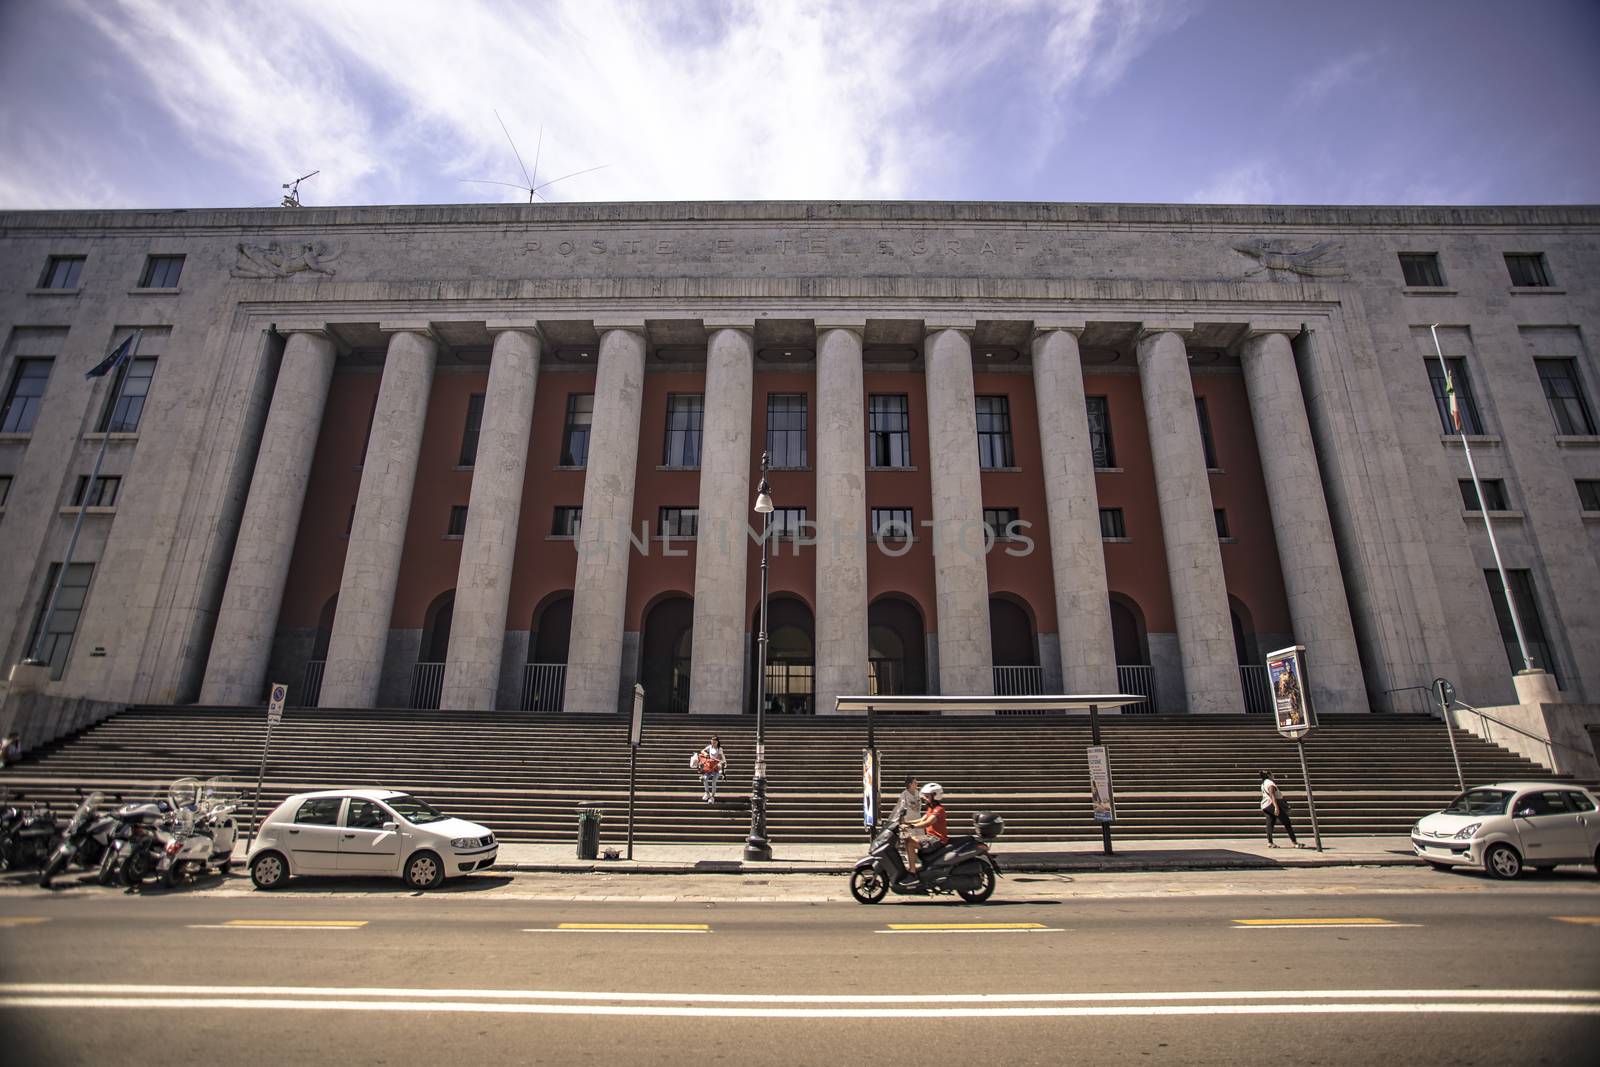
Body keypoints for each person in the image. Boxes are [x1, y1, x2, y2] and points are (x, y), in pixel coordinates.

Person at [901, 782, 949, 880]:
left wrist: (911, 826)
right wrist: (906, 823)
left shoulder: (938, 810)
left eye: (927, 796)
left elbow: (927, 823)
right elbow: (921, 820)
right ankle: (918, 865)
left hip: (936, 839)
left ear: (935, 796)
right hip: (931, 838)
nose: (924, 798)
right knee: (909, 839)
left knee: (909, 843)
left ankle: (912, 872)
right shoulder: (931, 808)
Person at [888, 774, 922, 875]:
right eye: (915, 782)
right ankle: (911, 860)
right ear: (910, 784)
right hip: (907, 821)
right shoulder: (904, 794)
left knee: (919, 839)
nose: (917, 784)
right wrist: (901, 821)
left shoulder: (917, 793)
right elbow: (901, 808)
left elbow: (918, 806)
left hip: (917, 820)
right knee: (908, 840)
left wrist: (914, 805)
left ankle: (918, 859)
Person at [1259, 770, 1302, 848]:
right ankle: (1295, 842)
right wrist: (1276, 807)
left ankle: (1270, 842)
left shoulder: (1264, 783)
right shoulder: (1270, 783)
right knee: (1287, 822)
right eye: (1272, 774)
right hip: (1271, 804)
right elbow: (1272, 795)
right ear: (1269, 775)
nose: (1273, 775)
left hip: (1265, 805)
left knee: (1270, 823)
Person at [695, 736, 726, 803]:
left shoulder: (719, 749)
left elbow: (719, 758)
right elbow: (702, 750)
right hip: (710, 767)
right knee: (704, 778)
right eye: (712, 742)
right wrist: (705, 753)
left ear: (717, 742)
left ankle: (712, 797)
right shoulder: (710, 747)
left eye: (714, 742)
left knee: (713, 782)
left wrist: (713, 760)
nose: (713, 743)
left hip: (717, 767)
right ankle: (707, 793)